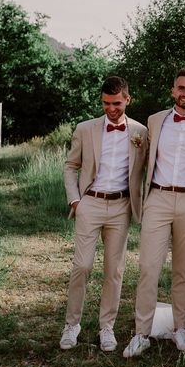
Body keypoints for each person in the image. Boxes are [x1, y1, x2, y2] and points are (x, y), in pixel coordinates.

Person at [123, 68, 185, 357]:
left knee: (182, 271)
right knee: (148, 267)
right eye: (181, 88)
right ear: (172, 91)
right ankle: (141, 332)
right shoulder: (154, 121)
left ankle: (180, 328)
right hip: (158, 198)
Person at [61, 76, 148, 352]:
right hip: (90, 204)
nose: (110, 108)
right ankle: (72, 324)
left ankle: (106, 327)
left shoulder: (141, 132)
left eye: (116, 103)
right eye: (105, 103)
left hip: (121, 206)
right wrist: (76, 201)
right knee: (82, 266)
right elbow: (70, 166)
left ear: (127, 100)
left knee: (115, 270)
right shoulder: (85, 129)